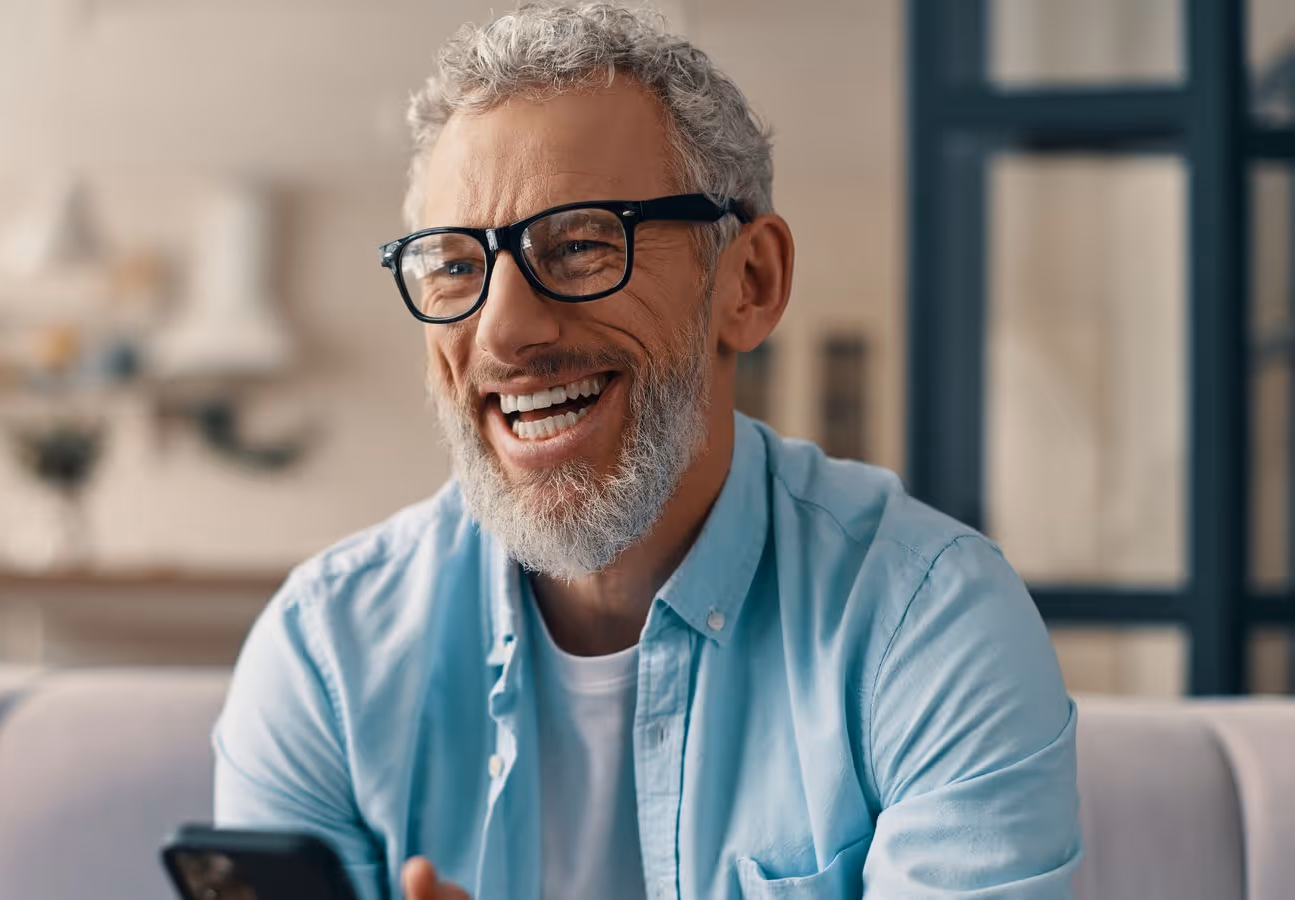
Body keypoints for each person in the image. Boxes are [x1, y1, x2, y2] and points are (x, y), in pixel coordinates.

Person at [212, 5, 1081, 899]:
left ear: (749, 283)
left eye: (583, 244)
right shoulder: (326, 657)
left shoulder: (927, 625)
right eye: (456, 266)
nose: (504, 331)